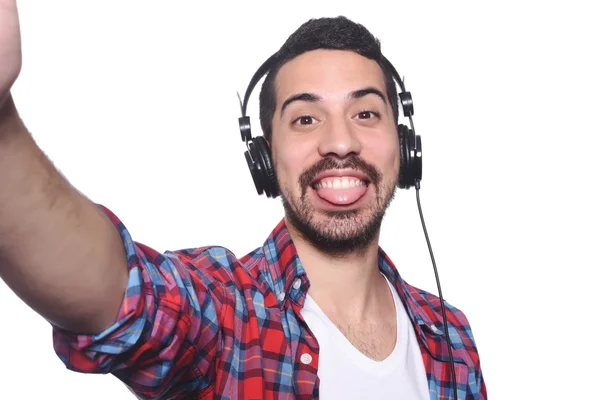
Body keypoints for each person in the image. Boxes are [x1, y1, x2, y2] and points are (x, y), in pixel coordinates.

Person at [0, 1, 486, 399]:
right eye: (306, 119)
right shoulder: (230, 310)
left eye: (365, 113)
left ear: (403, 143)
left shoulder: (449, 336)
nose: (341, 143)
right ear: (265, 156)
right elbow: (124, 298)